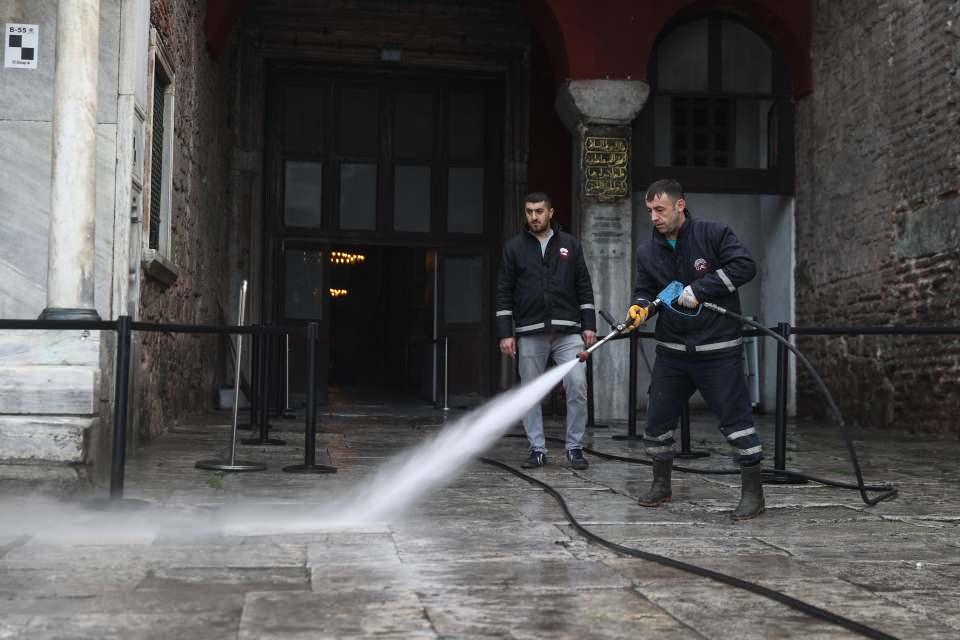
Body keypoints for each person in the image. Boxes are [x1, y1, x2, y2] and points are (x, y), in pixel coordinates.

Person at [625, 179, 764, 520]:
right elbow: (646, 289)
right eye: (649, 211)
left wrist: (701, 289)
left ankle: (753, 494)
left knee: (736, 422)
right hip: (672, 352)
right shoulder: (648, 251)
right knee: (657, 420)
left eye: (660, 209)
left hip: (718, 349)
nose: (654, 217)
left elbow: (745, 266)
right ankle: (661, 484)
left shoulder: (712, 234)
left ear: (680, 206)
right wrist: (641, 307)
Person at [496, 192, 597, 470]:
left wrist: (589, 325)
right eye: (529, 211)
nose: (534, 216)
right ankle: (537, 449)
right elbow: (503, 292)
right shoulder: (514, 248)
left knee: (577, 385)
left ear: (551, 212)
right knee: (530, 392)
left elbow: (584, 286)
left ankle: (575, 447)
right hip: (530, 331)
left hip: (569, 332)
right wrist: (506, 333)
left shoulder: (570, 246)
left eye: (539, 211)